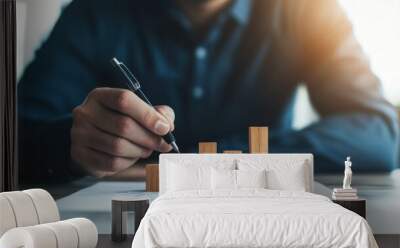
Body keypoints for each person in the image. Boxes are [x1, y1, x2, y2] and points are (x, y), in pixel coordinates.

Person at [18, 0, 399, 184]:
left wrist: (226, 158)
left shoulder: (308, 10)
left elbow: (380, 135)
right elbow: (16, 136)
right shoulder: (94, 12)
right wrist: (72, 145)